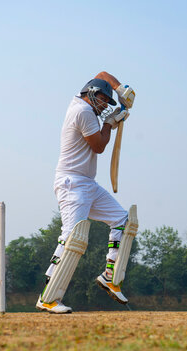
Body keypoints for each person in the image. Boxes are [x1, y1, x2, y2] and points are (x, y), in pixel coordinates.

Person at [36, 71, 136, 314]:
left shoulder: (85, 103)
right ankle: (48, 296)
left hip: (87, 184)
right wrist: (110, 123)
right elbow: (99, 146)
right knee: (72, 236)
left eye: (107, 102)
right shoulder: (82, 111)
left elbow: (101, 74)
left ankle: (110, 277)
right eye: (103, 99)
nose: (104, 105)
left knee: (123, 220)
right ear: (90, 93)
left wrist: (120, 89)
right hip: (72, 183)